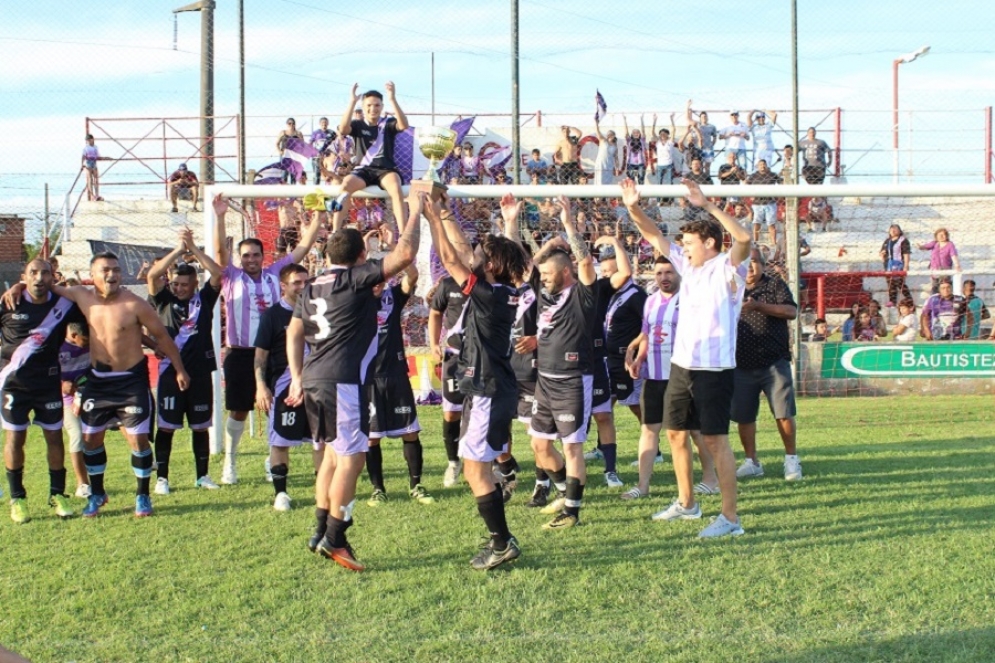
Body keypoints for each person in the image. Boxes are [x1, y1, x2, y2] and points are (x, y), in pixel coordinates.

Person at [289, 190, 422, 572]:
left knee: (332, 456)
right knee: (353, 457)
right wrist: (413, 211)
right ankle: (336, 537)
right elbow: (405, 256)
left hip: (315, 377)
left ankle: (319, 530)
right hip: (342, 381)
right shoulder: (354, 279)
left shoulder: (312, 285)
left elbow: (294, 331)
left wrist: (297, 375)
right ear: (361, 259)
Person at [622, 176, 752, 538]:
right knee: (676, 434)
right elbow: (653, 236)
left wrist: (708, 204)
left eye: (690, 243)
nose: (684, 249)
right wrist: (633, 207)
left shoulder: (729, 267)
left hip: (714, 369)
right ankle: (688, 503)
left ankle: (730, 518)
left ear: (709, 243)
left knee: (714, 441)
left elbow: (743, 239)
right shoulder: (685, 265)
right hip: (682, 366)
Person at [18, 253, 191, 518]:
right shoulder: (80, 295)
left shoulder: (135, 304)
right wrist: (19, 286)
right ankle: (97, 494)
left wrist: (179, 369)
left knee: (138, 440)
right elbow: (43, 285)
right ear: (93, 274)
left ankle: (142, 495)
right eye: (106, 270)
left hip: (131, 382)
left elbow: (161, 336)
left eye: (116, 270)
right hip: (98, 382)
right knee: (90, 440)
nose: (112, 275)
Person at [423, 195, 528, 570]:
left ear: (492, 265)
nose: (475, 256)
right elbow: (466, 254)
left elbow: (452, 260)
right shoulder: (501, 290)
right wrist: (448, 213)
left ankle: (502, 542)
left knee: (475, 470)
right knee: (477, 468)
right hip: (485, 388)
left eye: (481, 254)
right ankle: (501, 537)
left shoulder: (490, 295)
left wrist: (433, 219)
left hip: (487, 391)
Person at [214, 195, 322, 485]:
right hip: (240, 352)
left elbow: (302, 249)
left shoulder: (277, 274)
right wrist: (221, 216)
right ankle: (230, 462)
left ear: (264, 257)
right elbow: (219, 255)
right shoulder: (230, 276)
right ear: (240, 258)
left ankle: (271, 459)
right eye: (246, 255)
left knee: (276, 405)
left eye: (256, 255)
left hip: (276, 353)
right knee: (238, 409)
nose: (251, 259)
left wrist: (318, 220)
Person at [621, 256, 716, 502]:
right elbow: (647, 334)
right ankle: (642, 486)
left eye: (669, 272)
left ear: (679, 274)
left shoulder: (690, 300)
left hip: (683, 376)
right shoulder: (650, 301)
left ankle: (710, 480)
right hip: (654, 376)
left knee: (693, 430)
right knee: (649, 429)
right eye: (660, 273)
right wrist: (639, 358)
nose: (664, 277)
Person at [529, 197, 598, 530]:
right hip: (544, 380)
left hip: (572, 380)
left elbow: (585, 263)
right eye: (542, 274)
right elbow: (531, 264)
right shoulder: (545, 293)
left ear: (566, 272)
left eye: (548, 273)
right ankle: (562, 490)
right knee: (540, 445)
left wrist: (569, 224)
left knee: (571, 448)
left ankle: (572, 511)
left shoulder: (582, 295)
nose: (543, 277)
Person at [1, 259, 84, 522]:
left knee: (54, 437)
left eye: (44, 273)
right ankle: (18, 498)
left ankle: (57, 495)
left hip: (49, 384)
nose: (39, 278)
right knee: (15, 439)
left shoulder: (65, 306)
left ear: (53, 277)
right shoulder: (7, 303)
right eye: (33, 273)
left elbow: (89, 304)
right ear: (24, 276)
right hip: (14, 385)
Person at [146, 227, 224, 494]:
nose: (178, 288)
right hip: (169, 372)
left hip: (200, 371)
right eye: (175, 284)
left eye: (184, 285)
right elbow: (152, 275)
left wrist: (194, 249)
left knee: (200, 427)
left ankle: (202, 476)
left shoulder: (204, 299)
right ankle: (162, 478)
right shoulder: (163, 300)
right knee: (166, 427)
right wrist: (179, 250)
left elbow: (217, 273)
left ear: (194, 285)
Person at [364, 264, 435, 507]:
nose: (377, 284)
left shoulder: (391, 296)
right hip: (368, 378)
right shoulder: (353, 299)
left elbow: (413, 276)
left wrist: (400, 255)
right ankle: (378, 489)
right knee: (371, 438)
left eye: (380, 279)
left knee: (410, 431)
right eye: (372, 279)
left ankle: (416, 485)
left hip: (395, 374)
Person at [731, 248, 802, 482]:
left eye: (753, 262)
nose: (750, 267)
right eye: (745, 262)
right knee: (744, 416)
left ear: (762, 264)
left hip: (774, 362)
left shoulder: (775, 285)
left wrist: (758, 306)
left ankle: (791, 459)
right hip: (740, 364)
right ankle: (752, 462)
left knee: (783, 413)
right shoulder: (730, 287)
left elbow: (791, 311)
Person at [253, 263, 313, 512]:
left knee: (322, 442)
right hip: (284, 388)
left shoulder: (317, 310)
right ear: (284, 286)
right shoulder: (273, 315)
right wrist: (261, 386)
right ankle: (281, 494)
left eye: (305, 282)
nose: (302, 287)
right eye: (296, 282)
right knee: (280, 442)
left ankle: (324, 491)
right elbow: (260, 356)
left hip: (317, 385)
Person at [329, 83, 410, 241]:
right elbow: (343, 130)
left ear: (381, 106)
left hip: (386, 170)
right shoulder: (358, 124)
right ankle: (335, 232)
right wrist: (352, 102)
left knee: (395, 187)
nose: (373, 109)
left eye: (377, 105)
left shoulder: (388, 123)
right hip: (363, 170)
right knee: (345, 186)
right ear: (363, 106)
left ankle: (404, 235)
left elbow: (404, 125)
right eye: (369, 105)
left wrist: (393, 99)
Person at [59, 321, 91, 498]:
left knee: (95, 436)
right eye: (84, 341)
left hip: (91, 396)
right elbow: (44, 374)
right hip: (67, 400)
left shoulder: (93, 341)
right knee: (77, 435)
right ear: (73, 335)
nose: (87, 344)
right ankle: (82, 483)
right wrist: (62, 384)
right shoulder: (57, 347)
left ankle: (145, 459)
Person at [745, 159, 782, 245]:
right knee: (756, 223)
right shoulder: (754, 176)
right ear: (757, 166)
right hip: (757, 203)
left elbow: (781, 182)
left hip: (770, 202)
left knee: (771, 224)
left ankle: (773, 242)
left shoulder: (772, 175)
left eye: (764, 164)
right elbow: (746, 185)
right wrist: (751, 194)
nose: (762, 166)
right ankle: (755, 241)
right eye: (760, 165)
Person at [917, 228, 961, 294]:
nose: (941, 236)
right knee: (935, 285)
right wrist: (920, 247)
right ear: (936, 236)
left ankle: (947, 299)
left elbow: (953, 255)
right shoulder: (934, 243)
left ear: (947, 236)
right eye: (939, 235)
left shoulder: (950, 245)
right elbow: (926, 247)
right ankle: (935, 299)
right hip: (935, 268)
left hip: (945, 268)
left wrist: (957, 265)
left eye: (943, 235)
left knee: (945, 285)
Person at [880, 224, 912, 307]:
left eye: (895, 229)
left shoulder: (903, 240)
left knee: (899, 283)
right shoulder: (887, 241)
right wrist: (882, 255)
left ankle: (909, 299)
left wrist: (906, 266)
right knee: (890, 284)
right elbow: (882, 251)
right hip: (888, 266)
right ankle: (892, 301)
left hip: (898, 265)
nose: (893, 231)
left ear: (899, 230)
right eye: (891, 229)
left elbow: (906, 253)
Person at [649, 113, 678, 186]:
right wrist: (654, 120)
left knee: (669, 182)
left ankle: (670, 197)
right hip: (660, 165)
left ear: (668, 135)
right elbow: (652, 132)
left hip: (669, 165)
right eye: (661, 134)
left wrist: (671, 119)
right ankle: (659, 197)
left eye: (665, 133)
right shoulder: (658, 142)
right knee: (659, 182)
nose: (663, 135)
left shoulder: (670, 142)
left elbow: (674, 130)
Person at [592, 120, 619, 186]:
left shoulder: (615, 146)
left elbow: (616, 158)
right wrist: (596, 123)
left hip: (609, 166)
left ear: (614, 135)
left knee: (607, 183)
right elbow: (598, 132)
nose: (609, 135)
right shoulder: (603, 141)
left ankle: (606, 196)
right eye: (608, 134)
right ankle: (597, 196)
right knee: (599, 183)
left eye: (611, 134)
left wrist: (617, 168)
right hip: (601, 165)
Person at [622, 116, 648, 183]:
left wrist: (642, 120)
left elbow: (643, 131)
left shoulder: (642, 140)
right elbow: (626, 132)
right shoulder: (629, 141)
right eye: (634, 132)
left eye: (637, 132)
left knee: (641, 180)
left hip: (640, 163)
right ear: (631, 134)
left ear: (640, 134)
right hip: (631, 163)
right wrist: (625, 120)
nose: (636, 134)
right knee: (631, 181)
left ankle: (641, 192)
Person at [309, 117, 335, 183]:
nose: (324, 124)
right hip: (317, 157)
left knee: (329, 175)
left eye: (326, 122)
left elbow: (336, 143)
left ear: (328, 123)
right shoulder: (315, 133)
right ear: (320, 123)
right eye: (322, 123)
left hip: (327, 157)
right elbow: (310, 143)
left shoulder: (332, 133)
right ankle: (315, 190)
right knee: (317, 175)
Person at [81, 134, 104, 202]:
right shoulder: (86, 148)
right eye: (87, 141)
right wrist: (82, 164)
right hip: (88, 164)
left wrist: (103, 157)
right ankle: (92, 196)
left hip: (94, 164)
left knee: (96, 179)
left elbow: (97, 155)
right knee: (90, 180)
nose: (88, 142)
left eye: (89, 140)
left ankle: (96, 195)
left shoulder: (95, 147)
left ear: (92, 139)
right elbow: (83, 156)